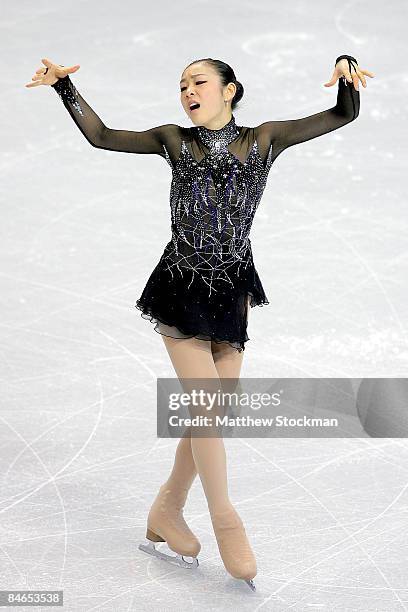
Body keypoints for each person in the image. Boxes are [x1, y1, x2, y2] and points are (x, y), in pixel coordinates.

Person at [26, 54, 373, 591]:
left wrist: (347, 72)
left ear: (230, 90)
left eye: (199, 82)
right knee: (208, 410)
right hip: (182, 286)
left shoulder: (265, 139)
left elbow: (340, 115)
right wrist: (65, 88)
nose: (187, 90)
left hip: (232, 288)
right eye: (182, 84)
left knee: (212, 414)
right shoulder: (174, 141)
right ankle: (225, 518)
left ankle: (167, 510)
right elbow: (101, 136)